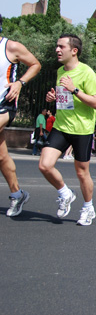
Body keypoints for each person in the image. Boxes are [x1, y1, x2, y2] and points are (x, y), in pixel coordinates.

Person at [38, 34, 96, 225]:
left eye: (61, 47)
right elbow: (64, 98)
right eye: (57, 46)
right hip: (61, 126)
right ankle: (65, 193)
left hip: (82, 129)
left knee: (82, 173)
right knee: (44, 165)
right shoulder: (60, 71)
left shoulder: (87, 73)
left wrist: (75, 90)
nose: (57, 50)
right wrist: (54, 96)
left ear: (74, 51)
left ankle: (88, 207)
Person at [0, 18, 42, 216]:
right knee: (1, 156)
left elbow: (35, 64)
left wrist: (20, 83)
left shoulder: (11, 47)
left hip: (4, 105)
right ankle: (18, 194)